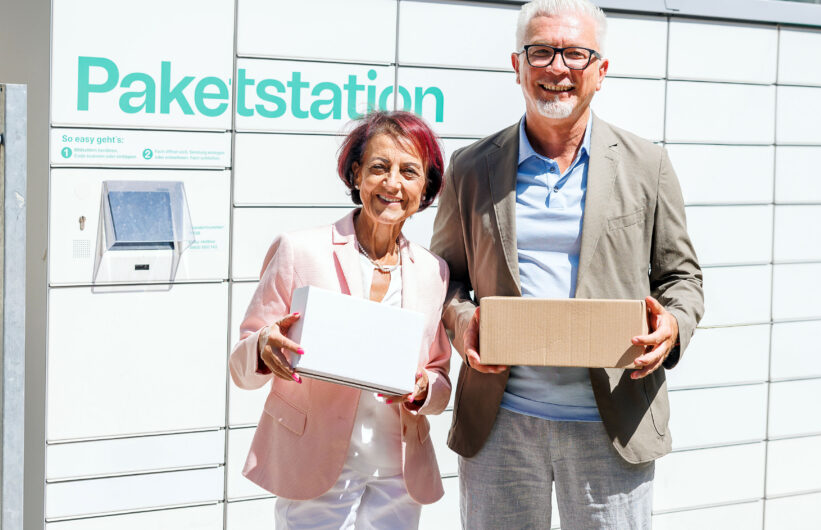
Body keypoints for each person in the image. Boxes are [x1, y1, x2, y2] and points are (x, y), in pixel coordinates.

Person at [430, 0, 705, 528]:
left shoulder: (647, 165)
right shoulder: (471, 167)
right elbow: (445, 278)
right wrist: (462, 320)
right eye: (540, 52)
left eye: (575, 53)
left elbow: (682, 279)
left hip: (612, 422)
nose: (557, 67)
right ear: (517, 66)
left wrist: (672, 325)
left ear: (600, 71)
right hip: (500, 422)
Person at [230, 111, 451, 530]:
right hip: (316, 460)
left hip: (397, 472)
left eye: (409, 172)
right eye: (379, 168)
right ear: (356, 175)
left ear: (426, 187)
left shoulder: (432, 271)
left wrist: (425, 389)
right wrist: (262, 347)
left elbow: (439, 375)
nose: (393, 184)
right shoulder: (300, 250)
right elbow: (241, 363)